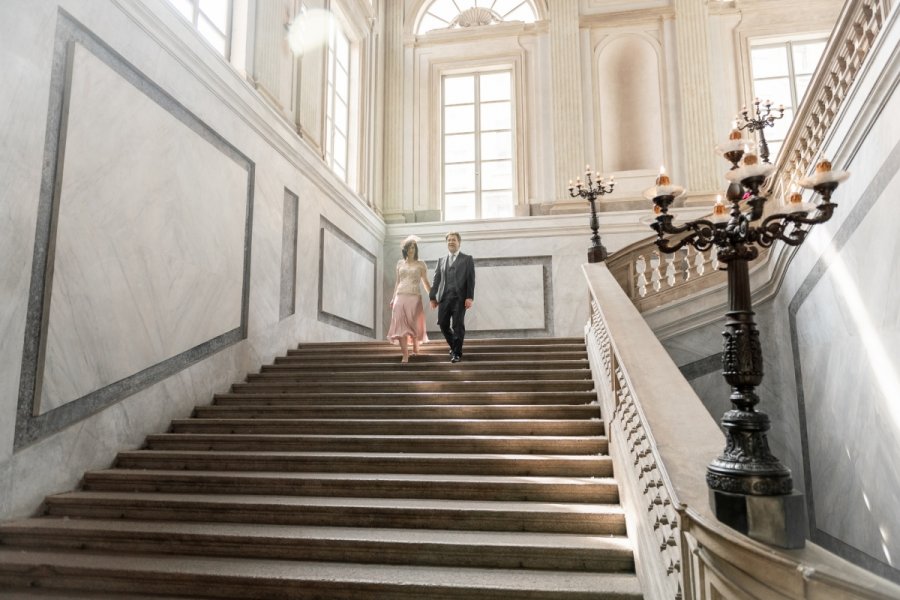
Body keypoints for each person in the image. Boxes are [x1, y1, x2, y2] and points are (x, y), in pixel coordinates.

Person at [429, 231, 475, 363]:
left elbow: (471, 280)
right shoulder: (441, 260)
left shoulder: (467, 259)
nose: (451, 242)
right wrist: (433, 297)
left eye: (453, 240)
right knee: (443, 324)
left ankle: (457, 354)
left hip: (460, 299)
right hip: (444, 297)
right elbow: (436, 280)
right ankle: (455, 347)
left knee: (457, 325)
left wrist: (469, 297)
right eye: (449, 240)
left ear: (459, 242)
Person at [387, 235, 431, 363]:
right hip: (400, 295)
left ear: (416, 249)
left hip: (414, 296)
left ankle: (416, 344)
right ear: (405, 249)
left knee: (413, 323)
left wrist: (432, 296)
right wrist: (393, 298)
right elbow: (397, 281)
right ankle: (405, 354)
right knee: (400, 324)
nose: (411, 250)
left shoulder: (421, 264)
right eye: (409, 247)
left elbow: (425, 282)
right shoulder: (399, 263)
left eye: (413, 247)